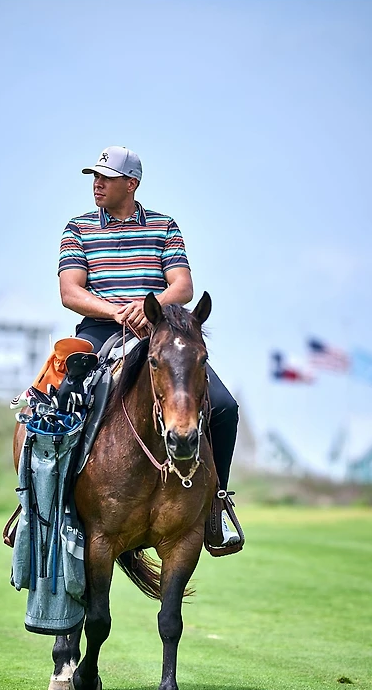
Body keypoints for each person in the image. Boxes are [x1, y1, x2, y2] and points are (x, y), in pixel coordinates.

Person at [58, 145, 242, 554]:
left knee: (224, 406)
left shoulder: (163, 226)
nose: (97, 184)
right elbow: (70, 291)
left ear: (131, 184)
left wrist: (149, 311)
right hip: (99, 330)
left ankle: (216, 504)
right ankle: (46, 510)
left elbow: (183, 286)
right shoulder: (78, 228)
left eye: (105, 177)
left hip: (158, 330)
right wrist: (118, 311)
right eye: (94, 176)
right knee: (56, 405)